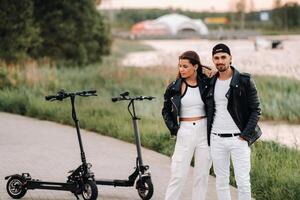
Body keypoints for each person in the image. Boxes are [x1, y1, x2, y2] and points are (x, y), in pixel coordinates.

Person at [206, 43, 262, 200]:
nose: (220, 61)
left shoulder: (244, 81)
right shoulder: (210, 82)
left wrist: (245, 135)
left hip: (238, 138)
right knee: (221, 182)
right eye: (216, 58)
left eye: (223, 57)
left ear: (230, 58)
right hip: (216, 138)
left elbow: (256, 110)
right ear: (213, 60)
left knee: (243, 182)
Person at [162, 50, 212, 200]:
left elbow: (219, 73)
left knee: (201, 176)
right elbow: (165, 111)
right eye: (180, 66)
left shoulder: (206, 84)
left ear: (195, 66)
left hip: (204, 131)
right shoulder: (174, 87)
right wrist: (175, 129)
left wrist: (206, 71)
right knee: (178, 175)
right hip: (185, 130)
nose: (181, 70)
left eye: (185, 66)